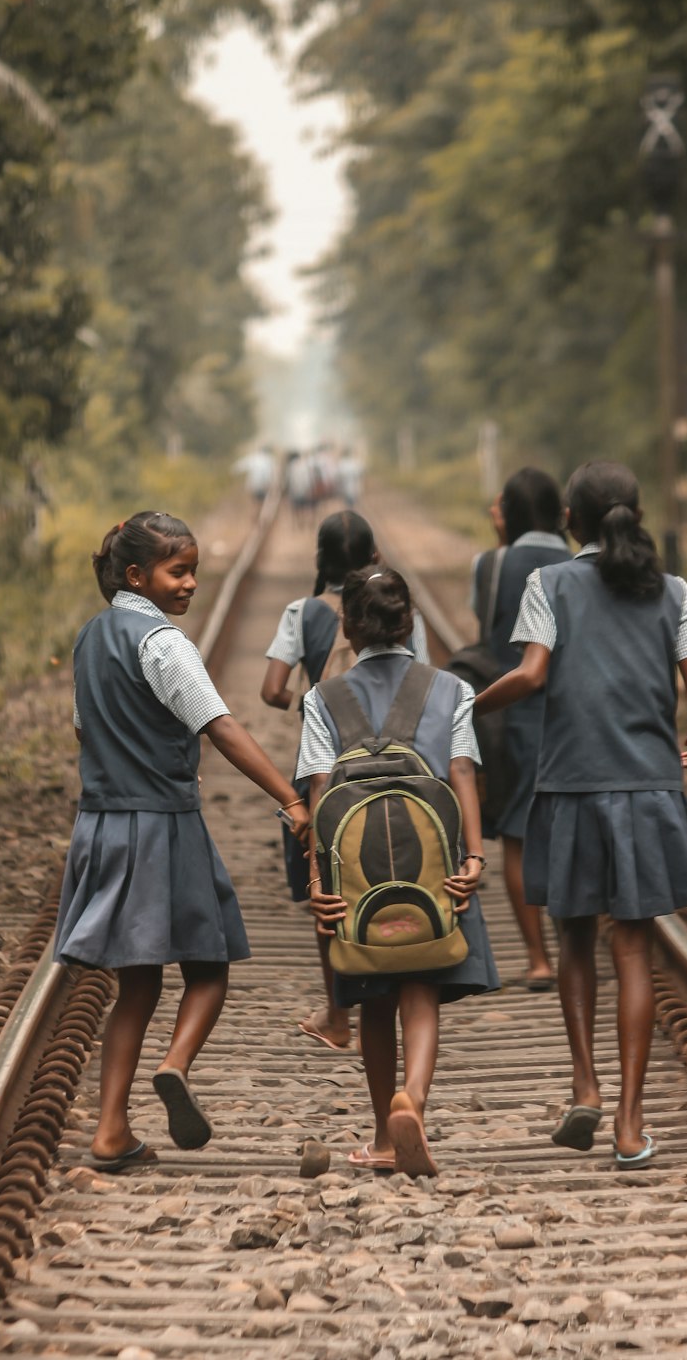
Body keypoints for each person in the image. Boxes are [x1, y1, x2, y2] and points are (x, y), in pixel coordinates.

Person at [475, 461, 687, 1169]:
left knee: (575, 943)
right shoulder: (671, 591)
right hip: (648, 787)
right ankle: (628, 1123)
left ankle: (584, 1085)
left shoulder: (548, 583)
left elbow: (530, 675)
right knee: (635, 949)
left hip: (571, 786)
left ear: (569, 524)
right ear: (637, 514)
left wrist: (462, 710)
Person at [55, 510, 309, 1171]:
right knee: (209, 965)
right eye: (179, 571)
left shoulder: (89, 638)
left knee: (136, 986)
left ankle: (111, 1131)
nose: (191, 583)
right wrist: (290, 798)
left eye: (194, 570)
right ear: (137, 575)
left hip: (103, 823)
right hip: (163, 824)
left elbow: (85, 730)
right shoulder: (164, 644)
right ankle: (174, 1064)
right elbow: (220, 728)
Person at [302, 565, 500, 1176]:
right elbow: (464, 773)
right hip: (434, 871)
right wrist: (473, 856)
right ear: (408, 622)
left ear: (349, 628)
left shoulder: (323, 698)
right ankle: (410, 1100)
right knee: (422, 992)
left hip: (357, 881)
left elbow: (317, 794)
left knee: (374, 1001)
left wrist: (317, 882)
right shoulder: (450, 689)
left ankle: (387, 1141)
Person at [261, 511, 430, 1051]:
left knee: (327, 887)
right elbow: (420, 680)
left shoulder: (302, 612)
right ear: (375, 555)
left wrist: (306, 705)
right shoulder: (402, 609)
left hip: (328, 767)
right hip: (397, 757)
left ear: (322, 559)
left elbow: (270, 688)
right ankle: (408, 979)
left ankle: (339, 1014)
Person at [472, 468, 571, 990]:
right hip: (570, 709)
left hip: (510, 710)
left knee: (517, 833)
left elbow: (487, 628)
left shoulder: (492, 563)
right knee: (569, 828)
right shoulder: (578, 562)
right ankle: (572, 939)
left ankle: (537, 958)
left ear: (508, 512)